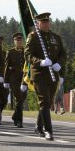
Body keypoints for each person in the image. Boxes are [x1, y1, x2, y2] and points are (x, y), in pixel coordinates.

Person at [25, 12, 67, 141]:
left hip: (53, 74)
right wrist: (40, 62)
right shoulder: (33, 36)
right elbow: (27, 54)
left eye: (47, 22)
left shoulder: (56, 37)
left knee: (47, 103)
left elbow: (63, 54)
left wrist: (59, 65)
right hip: (39, 74)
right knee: (44, 101)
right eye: (43, 22)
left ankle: (38, 126)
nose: (46, 24)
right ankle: (48, 130)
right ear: (38, 23)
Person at [4, 32, 27, 128]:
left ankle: (14, 116)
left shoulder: (26, 51)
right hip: (14, 79)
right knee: (19, 99)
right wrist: (5, 80)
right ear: (14, 41)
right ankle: (19, 121)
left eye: (20, 40)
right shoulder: (10, 52)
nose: (19, 41)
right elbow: (6, 67)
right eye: (17, 40)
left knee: (22, 98)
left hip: (24, 80)